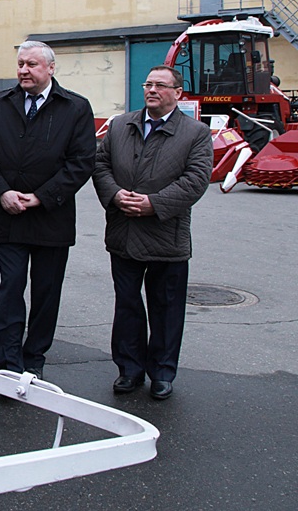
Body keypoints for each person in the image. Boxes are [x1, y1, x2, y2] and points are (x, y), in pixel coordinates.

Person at [0, 40, 96, 380]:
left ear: (51, 68)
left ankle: (34, 358)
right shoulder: (0, 104)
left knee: (46, 292)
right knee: (11, 286)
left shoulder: (75, 108)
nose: (24, 70)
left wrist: (42, 196)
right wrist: (1, 192)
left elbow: (82, 162)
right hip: (9, 215)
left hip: (51, 218)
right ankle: (8, 364)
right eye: (20, 64)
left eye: (32, 64)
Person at [92, 65, 213, 400]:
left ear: (178, 93)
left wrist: (153, 204)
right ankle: (129, 370)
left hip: (166, 235)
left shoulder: (195, 133)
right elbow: (100, 165)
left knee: (166, 307)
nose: (152, 90)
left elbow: (196, 179)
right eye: (148, 84)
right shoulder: (120, 126)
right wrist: (115, 195)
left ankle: (162, 372)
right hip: (124, 232)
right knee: (127, 305)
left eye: (161, 85)